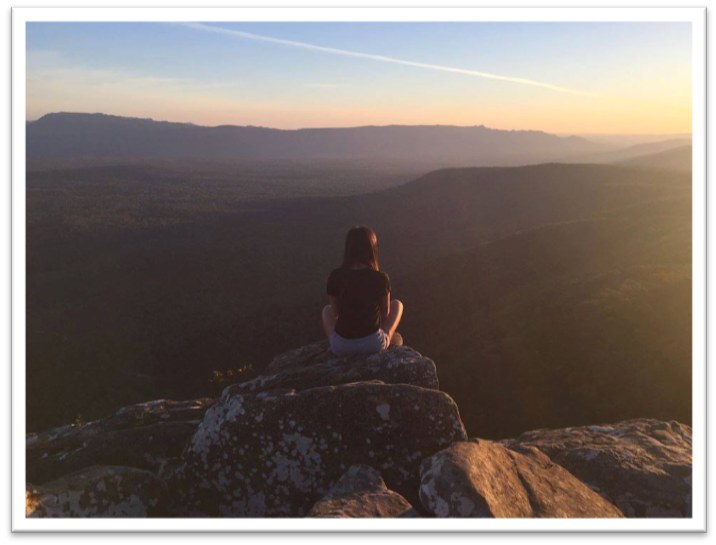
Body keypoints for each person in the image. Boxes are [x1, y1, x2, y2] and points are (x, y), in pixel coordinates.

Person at [322, 226, 403, 356]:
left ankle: (334, 341)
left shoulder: (336, 276)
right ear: (371, 250)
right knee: (397, 305)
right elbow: (385, 312)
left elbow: (335, 312)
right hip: (373, 345)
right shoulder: (380, 278)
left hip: (342, 347)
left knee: (326, 310)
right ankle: (389, 335)